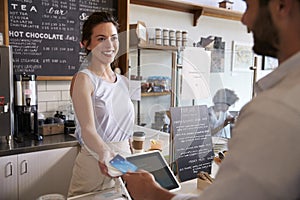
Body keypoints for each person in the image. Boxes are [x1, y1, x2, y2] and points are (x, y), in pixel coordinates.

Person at [122, 0, 300, 199]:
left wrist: (152, 193)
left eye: (249, 6)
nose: (244, 19)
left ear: (282, 6)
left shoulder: (275, 110)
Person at [68, 12, 134, 197]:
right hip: (95, 163)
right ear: (86, 44)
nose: (109, 45)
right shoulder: (84, 79)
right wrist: (105, 153)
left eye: (113, 38)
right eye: (101, 38)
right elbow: (88, 130)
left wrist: (132, 156)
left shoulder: (123, 81)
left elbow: (125, 129)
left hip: (123, 162)